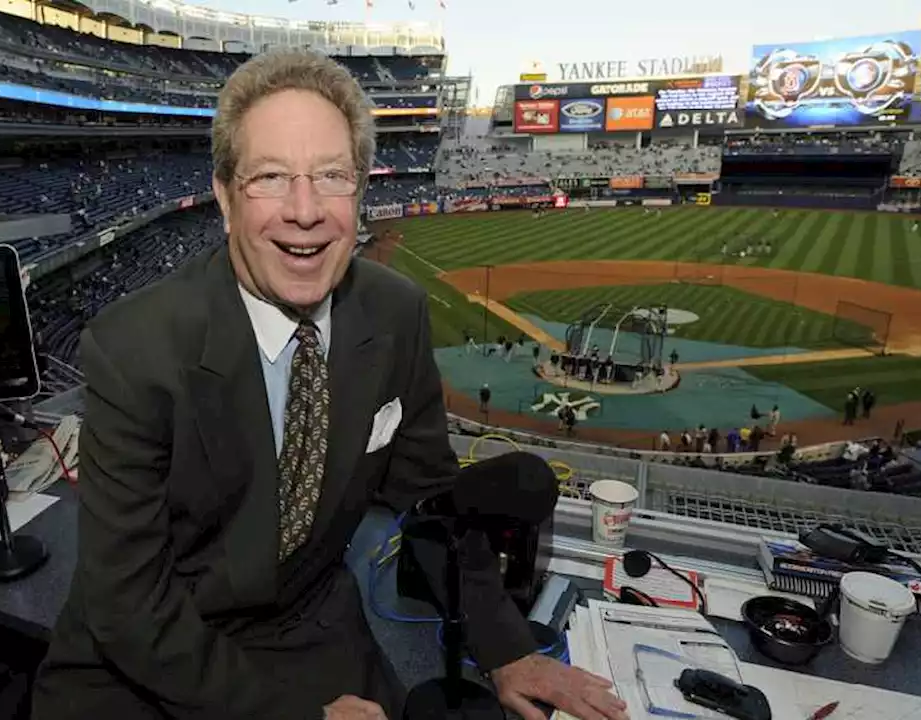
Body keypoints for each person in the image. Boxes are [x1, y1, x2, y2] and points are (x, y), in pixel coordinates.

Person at [31, 50, 625, 720]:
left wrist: (505, 648)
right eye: (272, 178)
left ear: (360, 190)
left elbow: (431, 501)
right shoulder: (134, 350)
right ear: (225, 198)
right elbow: (130, 607)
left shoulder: (396, 314)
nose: (306, 211)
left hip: (305, 625)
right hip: (149, 654)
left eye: (331, 177)